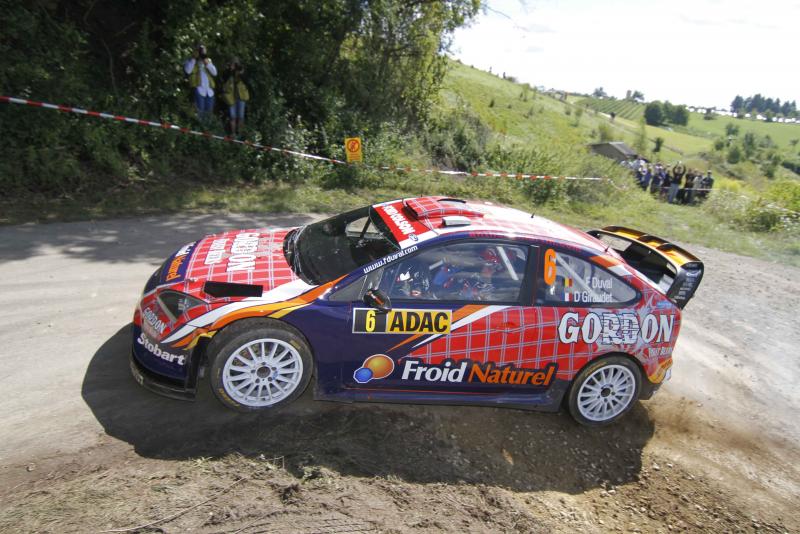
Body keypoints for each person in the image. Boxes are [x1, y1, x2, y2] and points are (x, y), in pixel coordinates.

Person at [184, 44, 217, 123]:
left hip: (209, 92)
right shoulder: (190, 60)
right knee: (200, 114)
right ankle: (200, 128)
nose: (201, 52)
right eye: (200, 50)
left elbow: (215, 73)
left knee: (208, 115)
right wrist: (194, 58)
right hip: (199, 90)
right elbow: (188, 71)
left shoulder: (208, 61)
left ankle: (207, 129)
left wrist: (206, 60)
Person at [222, 57, 250, 138]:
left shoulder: (242, 70)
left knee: (241, 116)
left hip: (241, 96)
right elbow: (224, 79)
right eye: (233, 63)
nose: (235, 65)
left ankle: (240, 134)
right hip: (230, 96)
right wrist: (231, 70)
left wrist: (241, 73)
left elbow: (247, 82)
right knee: (232, 116)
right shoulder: (228, 71)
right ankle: (233, 133)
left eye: (236, 63)